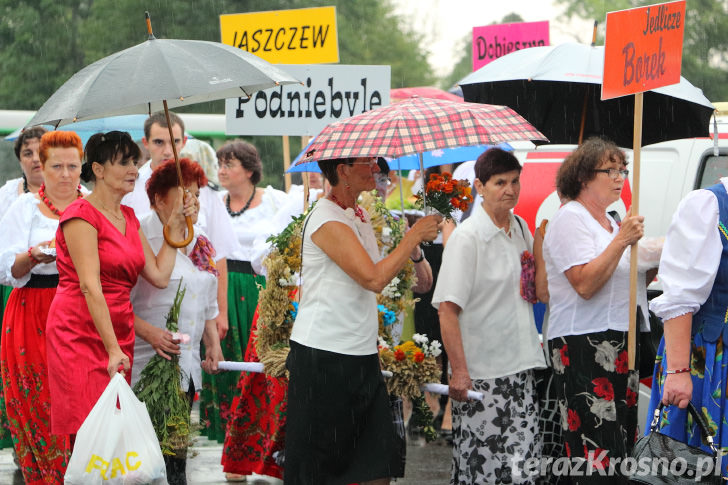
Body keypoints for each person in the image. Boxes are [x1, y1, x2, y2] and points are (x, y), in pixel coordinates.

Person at [284, 156, 440, 485]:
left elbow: (395, 276)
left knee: (377, 465)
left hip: (360, 353)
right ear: (343, 171)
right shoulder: (326, 218)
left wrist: (416, 252)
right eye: (366, 163)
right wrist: (411, 237)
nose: (375, 169)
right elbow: (373, 279)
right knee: (321, 470)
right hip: (324, 356)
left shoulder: (359, 214)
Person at [45, 131, 194, 438]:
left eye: (134, 162)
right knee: (89, 428)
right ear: (98, 170)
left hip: (119, 326)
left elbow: (158, 276)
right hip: (79, 328)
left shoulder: (128, 216)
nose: (134, 170)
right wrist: (112, 349)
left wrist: (177, 223)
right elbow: (89, 286)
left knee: (113, 429)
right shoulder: (80, 215)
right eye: (124, 162)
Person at [432, 147, 546, 484]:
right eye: (500, 183)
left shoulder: (521, 227)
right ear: (479, 187)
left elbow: (532, 290)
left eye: (515, 181)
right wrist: (460, 372)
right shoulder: (467, 238)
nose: (510, 189)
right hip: (483, 377)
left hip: (521, 368)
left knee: (521, 471)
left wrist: (539, 245)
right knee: (484, 471)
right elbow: (447, 311)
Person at [543, 137, 650, 483]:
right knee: (595, 452)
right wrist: (622, 242)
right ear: (585, 177)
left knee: (619, 446)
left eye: (623, 170)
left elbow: (624, 279)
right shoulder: (570, 219)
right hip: (582, 343)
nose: (620, 177)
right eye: (611, 170)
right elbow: (585, 284)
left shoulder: (610, 222)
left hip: (618, 340)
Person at [131, 158, 223, 485]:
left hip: (187, 363)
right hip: (147, 365)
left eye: (196, 195)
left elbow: (207, 299)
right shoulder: (140, 235)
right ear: (158, 199)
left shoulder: (201, 242)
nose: (192, 203)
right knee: (145, 460)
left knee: (176, 459)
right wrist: (150, 334)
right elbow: (119, 304)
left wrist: (213, 344)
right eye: (184, 195)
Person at [0, 131, 83, 484]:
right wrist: (35, 254)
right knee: (40, 401)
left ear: (83, 168)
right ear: (42, 168)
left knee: (80, 399)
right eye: (56, 166)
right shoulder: (24, 206)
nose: (65, 174)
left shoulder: (93, 204)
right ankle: (45, 475)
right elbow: (8, 269)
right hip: (34, 304)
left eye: (72, 166)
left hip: (81, 306)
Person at [122, 111, 238, 350]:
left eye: (174, 142)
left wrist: (220, 312)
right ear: (145, 144)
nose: (167, 150)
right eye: (159, 142)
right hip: (149, 309)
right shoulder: (129, 188)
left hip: (196, 308)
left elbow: (218, 255)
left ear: (184, 142)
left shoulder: (203, 187)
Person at [646, 172, 728, 478]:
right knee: (697, 467)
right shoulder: (709, 206)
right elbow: (680, 296)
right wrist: (678, 372)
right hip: (709, 361)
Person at [207, 140, 288, 450]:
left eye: (230, 164)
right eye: (220, 164)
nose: (222, 170)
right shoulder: (214, 202)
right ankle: (233, 444)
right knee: (226, 365)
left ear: (250, 170)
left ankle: (264, 443)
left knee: (260, 367)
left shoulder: (274, 200)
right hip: (223, 286)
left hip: (260, 288)